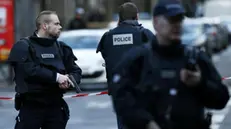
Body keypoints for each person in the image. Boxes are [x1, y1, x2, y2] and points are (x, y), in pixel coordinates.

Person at [110, 1, 230, 129]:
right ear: (156, 23)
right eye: (171, 20)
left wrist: (200, 83)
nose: (177, 25)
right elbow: (121, 101)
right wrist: (146, 123)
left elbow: (221, 98)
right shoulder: (138, 60)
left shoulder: (194, 58)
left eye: (179, 20)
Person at [7, 10, 82, 129]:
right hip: (31, 107)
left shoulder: (61, 48)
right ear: (45, 26)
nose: (60, 27)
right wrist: (57, 78)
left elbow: (76, 71)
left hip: (55, 106)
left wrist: (69, 81)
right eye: (56, 24)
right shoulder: (24, 46)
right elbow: (29, 70)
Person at [96, 2, 155, 129]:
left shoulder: (108, 37)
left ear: (120, 18)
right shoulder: (144, 34)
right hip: (143, 93)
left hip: (120, 93)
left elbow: (107, 57)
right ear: (137, 16)